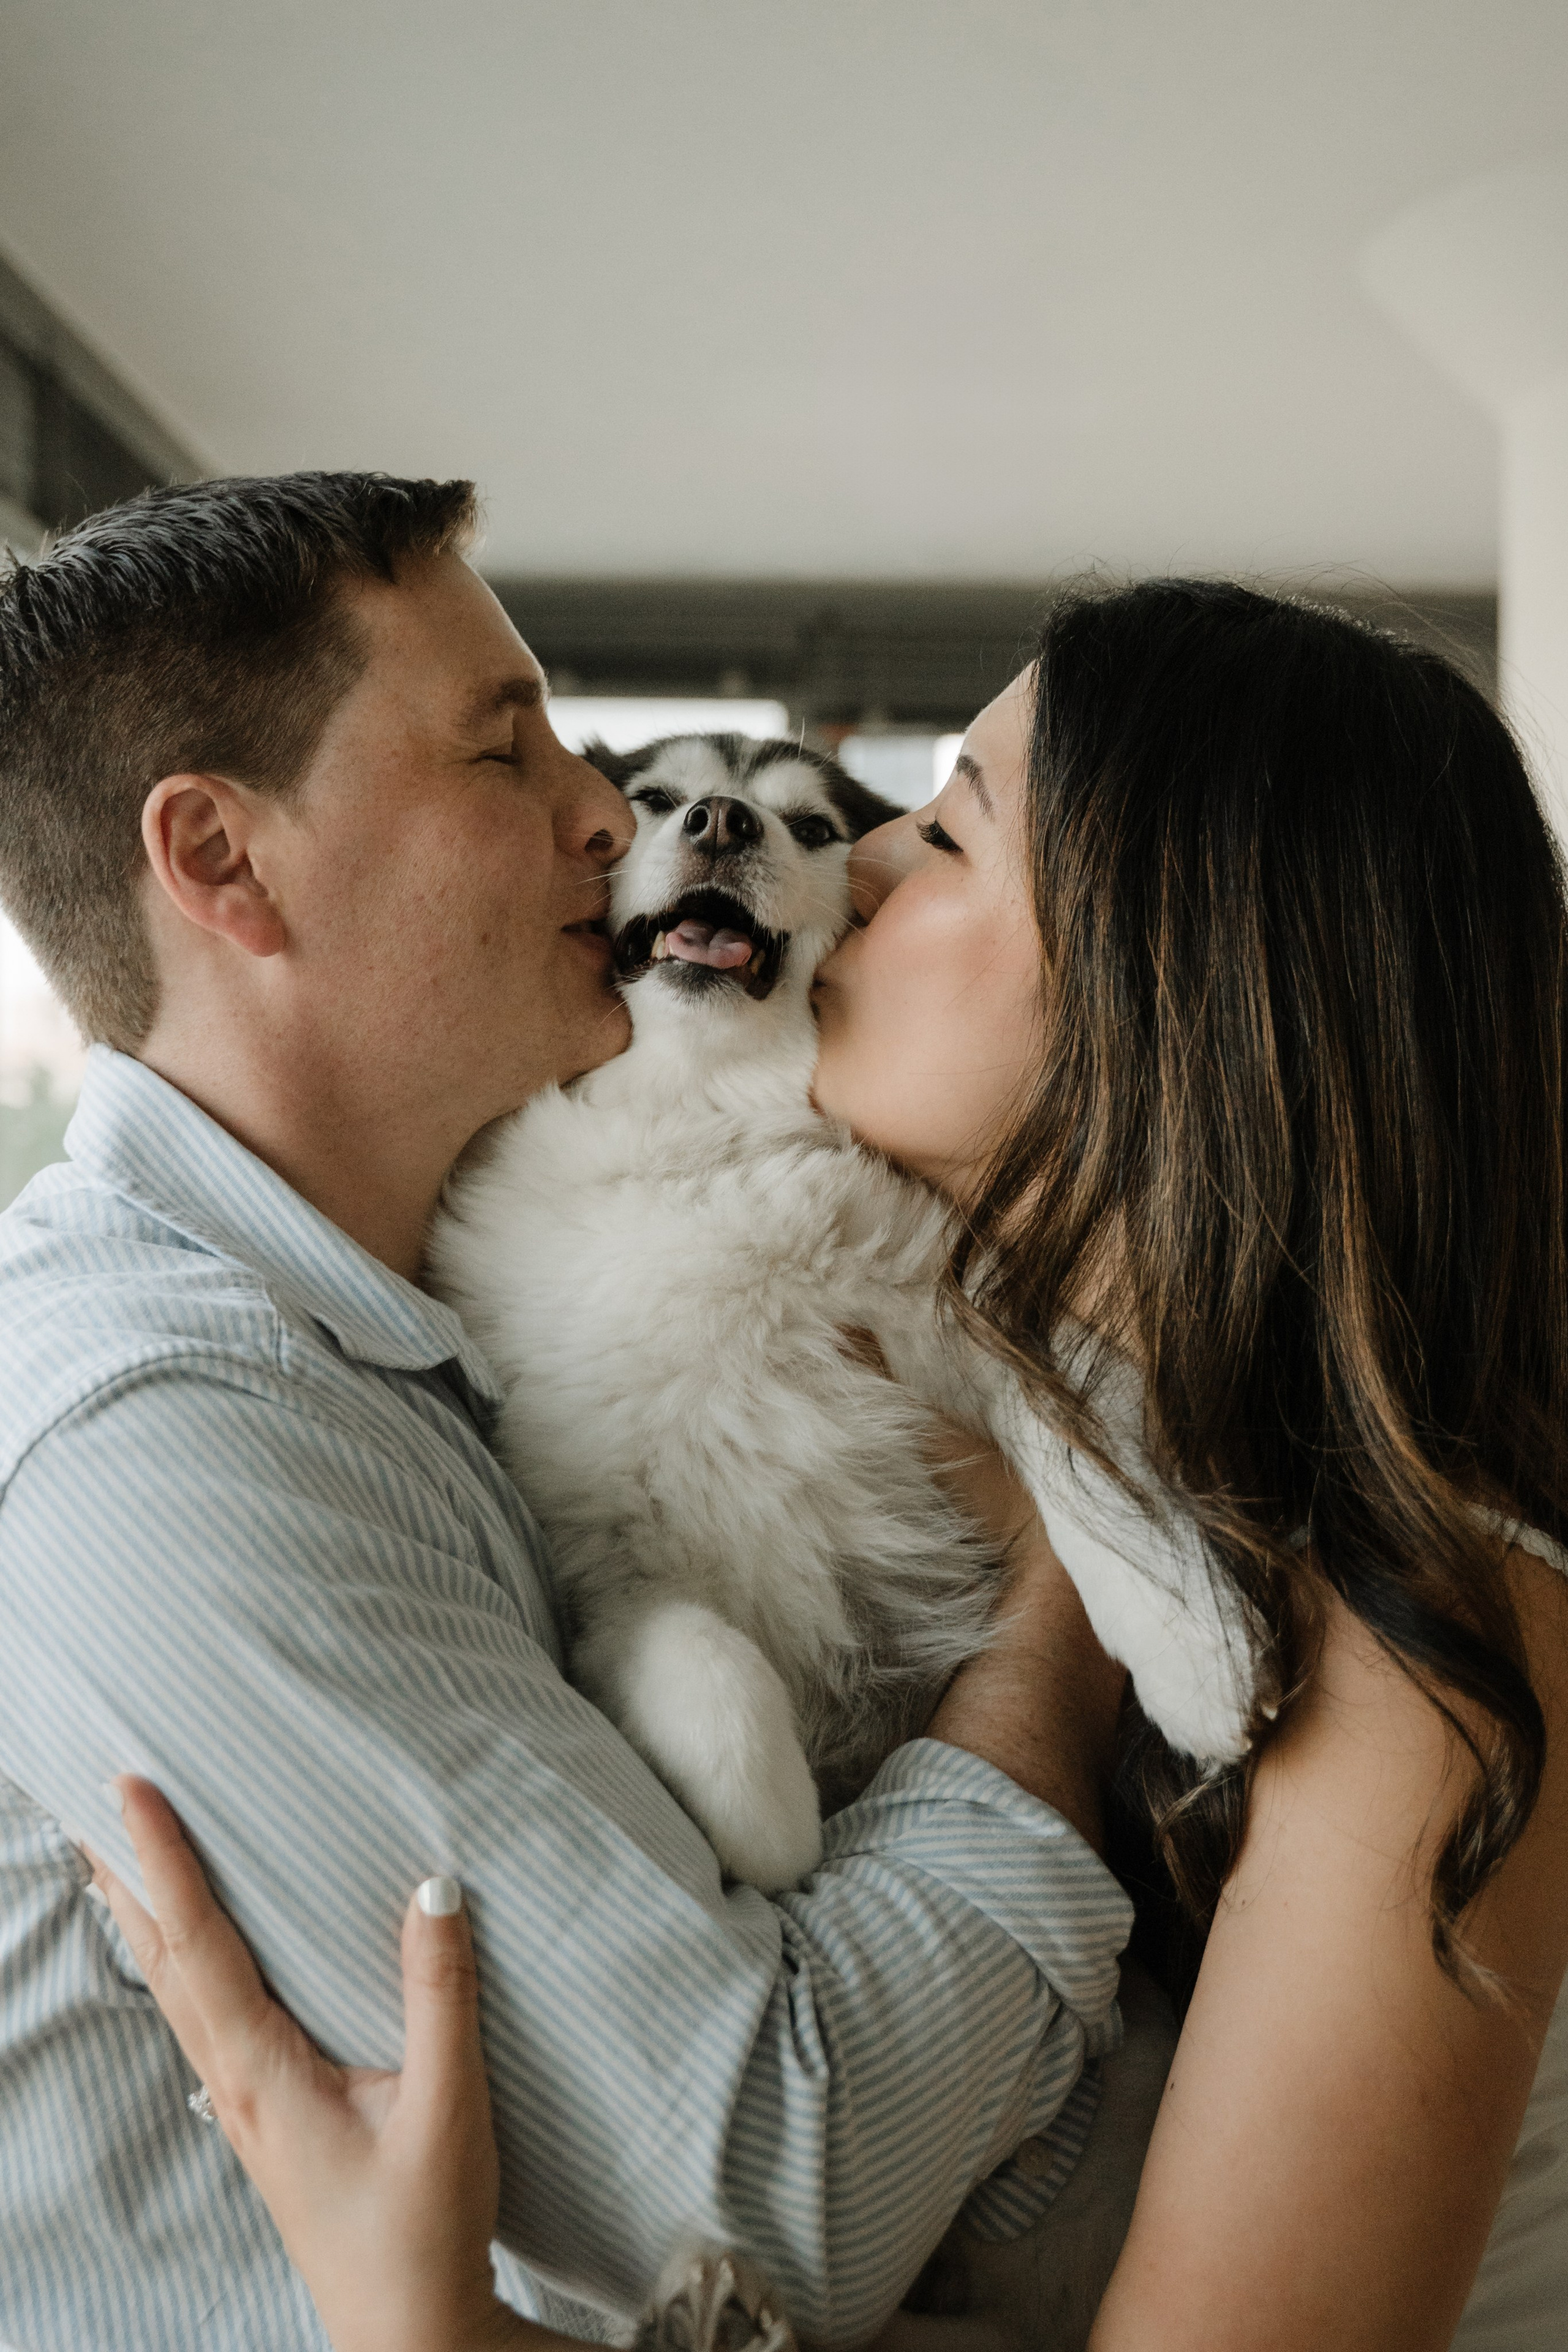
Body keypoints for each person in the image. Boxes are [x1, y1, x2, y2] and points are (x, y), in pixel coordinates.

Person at [94, 579, 1568, 2352]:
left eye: (946, 831)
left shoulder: (1435, 1643)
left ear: (1163, 984)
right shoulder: (964, 1380)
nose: (853, 868)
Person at [0, 475, 1134, 2352]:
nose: (607, 815)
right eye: (499, 747)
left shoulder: (415, 1325)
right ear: (221, 862)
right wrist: (1047, 1640)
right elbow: (774, 2191)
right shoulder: (162, 1436)